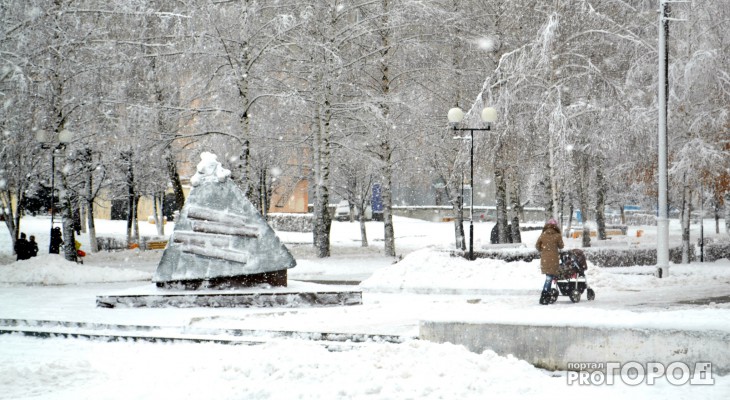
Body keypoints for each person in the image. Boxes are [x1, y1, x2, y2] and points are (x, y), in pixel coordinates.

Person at [535, 218, 564, 305]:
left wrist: (543, 250)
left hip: (545, 259)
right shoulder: (557, 235)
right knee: (549, 278)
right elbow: (561, 246)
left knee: (549, 278)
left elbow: (537, 246)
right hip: (554, 259)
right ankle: (544, 297)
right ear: (556, 226)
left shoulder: (543, 235)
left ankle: (545, 296)